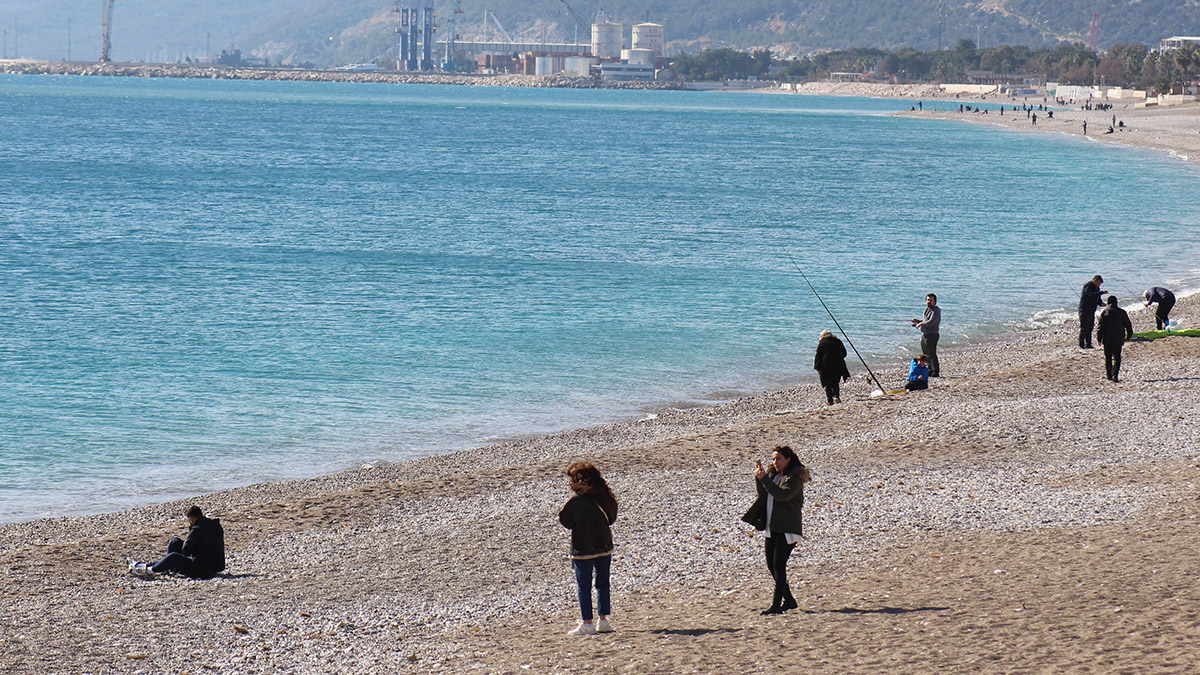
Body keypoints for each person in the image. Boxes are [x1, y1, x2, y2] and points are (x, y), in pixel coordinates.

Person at [741, 445, 810, 615]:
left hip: (787, 528)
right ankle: (790, 600)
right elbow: (764, 495)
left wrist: (764, 479)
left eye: (778, 458)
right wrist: (759, 479)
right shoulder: (775, 475)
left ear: (788, 459)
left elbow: (782, 495)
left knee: (779, 566)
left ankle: (776, 604)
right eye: (773, 459)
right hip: (772, 527)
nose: (775, 462)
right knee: (771, 566)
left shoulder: (795, 478)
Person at [559, 461, 618, 636]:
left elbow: (565, 522)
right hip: (604, 545)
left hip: (582, 548)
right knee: (603, 583)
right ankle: (603, 620)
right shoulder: (607, 498)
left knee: (584, 586)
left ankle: (587, 623)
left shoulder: (575, 502)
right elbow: (612, 519)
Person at [128, 505, 225, 580]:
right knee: (175, 542)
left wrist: (191, 532)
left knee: (173, 557)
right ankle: (164, 567)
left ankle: (148, 570)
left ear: (190, 519)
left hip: (203, 571)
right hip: (214, 566)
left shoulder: (196, 530)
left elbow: (185, 551)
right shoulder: (215, 525)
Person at [1096, 296, 1133, 382]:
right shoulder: (1121, 312)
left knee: (1108, 357)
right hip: (1118, 338)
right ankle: (1115, 375)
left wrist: (1099, 338)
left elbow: (1100, 327)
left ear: (1108, 303)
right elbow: (1128, 325)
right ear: (1116, 302)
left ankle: (1109, 375)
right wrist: (1129, 335)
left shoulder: (1104, 312)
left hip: (1107, 338)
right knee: (1117, 357)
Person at [814, 329, 850, 405]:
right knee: (836, 382)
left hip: (826, 366)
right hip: (839, 365)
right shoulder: (838, 341)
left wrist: (818, 368)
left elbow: (818, 357)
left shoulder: (822, 344)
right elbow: (844, 354)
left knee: (828, 384)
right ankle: (836, 395)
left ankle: (830, 401)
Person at [911, 293, 941, 377]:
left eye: (931, 300)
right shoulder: (927, 310)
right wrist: (917, 321)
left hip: (932, 335)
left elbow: (931, 322)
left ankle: (935, 371)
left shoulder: (936, 310)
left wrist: (920, 324)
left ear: (935, 302)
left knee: (931, 353)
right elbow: (925, 321)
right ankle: (930, 370)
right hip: (925, 334)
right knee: (926, 354)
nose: (929, 302)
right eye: (928, 300)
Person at [1078, 275, 1107, 349]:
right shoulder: (1087, 286)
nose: (1099, 285)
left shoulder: (1097, 288)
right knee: (1084, 328)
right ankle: (1081, 344)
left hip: (1091, 310)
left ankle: (1088, 344)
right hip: (1084, 310)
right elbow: (1091, 294)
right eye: (1099, 283)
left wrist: (1101, 303)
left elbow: (1097, 298)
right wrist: (1101, 292)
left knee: (1090, 328)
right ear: (1095, 281)